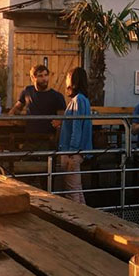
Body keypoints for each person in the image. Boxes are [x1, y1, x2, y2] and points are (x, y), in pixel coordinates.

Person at [58, 67, 92, 204]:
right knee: (76, 189)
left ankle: (76, 222)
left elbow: (77, 127)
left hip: (72, 152)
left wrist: (72, 151)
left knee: (71, 192)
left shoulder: (78, 100)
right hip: (76, 151)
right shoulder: (83, 100)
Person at [8, 64, 66, 143]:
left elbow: (62, 120)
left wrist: (59, 123)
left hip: (48, 140)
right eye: (40, 76)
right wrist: (13, 116)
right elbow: (17, 108)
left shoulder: (57, 96)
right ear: (33, 78)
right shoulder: (27, 91)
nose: (44, 79)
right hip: (30, 138)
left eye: (46, 75)